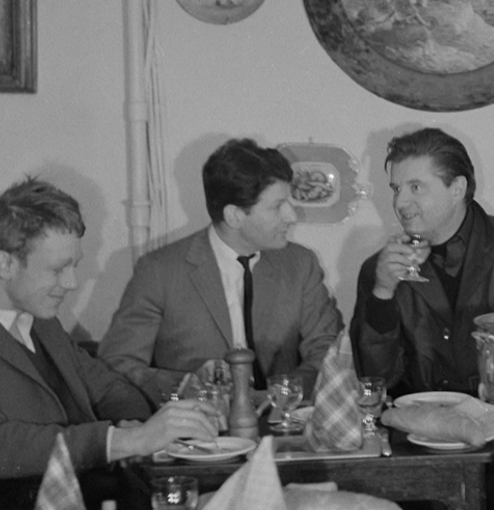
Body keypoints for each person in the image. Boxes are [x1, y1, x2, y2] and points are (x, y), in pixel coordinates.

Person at [0, 178, 219, 510]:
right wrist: (122, 441)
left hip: (90, 509)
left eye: (74, 266)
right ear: (4, 264)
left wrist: (134, 426)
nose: (72, 283)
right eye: (57, 269)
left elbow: (110, 388)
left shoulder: (42, 323)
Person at [99, 138, 342, 403]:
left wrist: (279, 395)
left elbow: (330, 351)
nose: (291, 216)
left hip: (281, 427)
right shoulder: (159, 272)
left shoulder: (300, 264)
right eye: (276, 206)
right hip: (196, 432)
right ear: (234, 216)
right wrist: (183, 387)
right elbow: (117, 364)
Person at [352, 126, 494, 398]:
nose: (400, 202)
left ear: (457, 189)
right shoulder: (379, 270)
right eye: (396, 188)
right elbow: (376, 380)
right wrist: (383, 292)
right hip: (422, 429)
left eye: (416, 187)